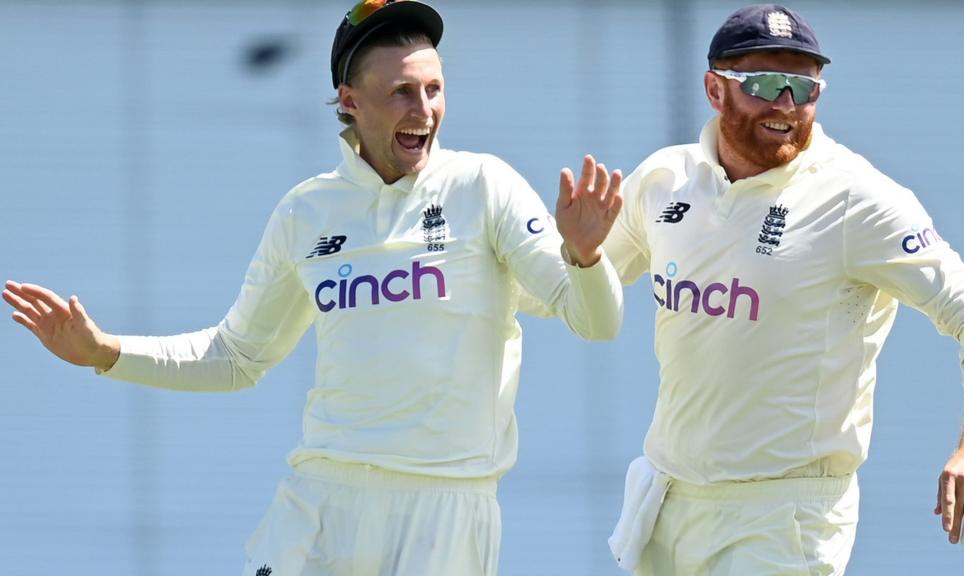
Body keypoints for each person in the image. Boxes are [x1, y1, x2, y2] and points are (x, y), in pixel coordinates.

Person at [2, 1, 625, 575]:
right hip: (323, 500)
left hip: (446, 510)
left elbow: (595, 322)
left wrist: (586, 254)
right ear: (350, 100)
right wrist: (105, 353)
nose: (424, 110)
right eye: (401, 92)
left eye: (434, 90)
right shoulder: (307, 213)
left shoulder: (483, 186)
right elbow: (237, 357)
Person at [602, 4, 964, 575]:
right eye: (767, 84)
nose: (787, 105)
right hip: (669, 500)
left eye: (804, 87)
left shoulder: (857, 198)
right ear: (714, 89)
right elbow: (578, 285)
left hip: (784, 517)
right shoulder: (665, 178)